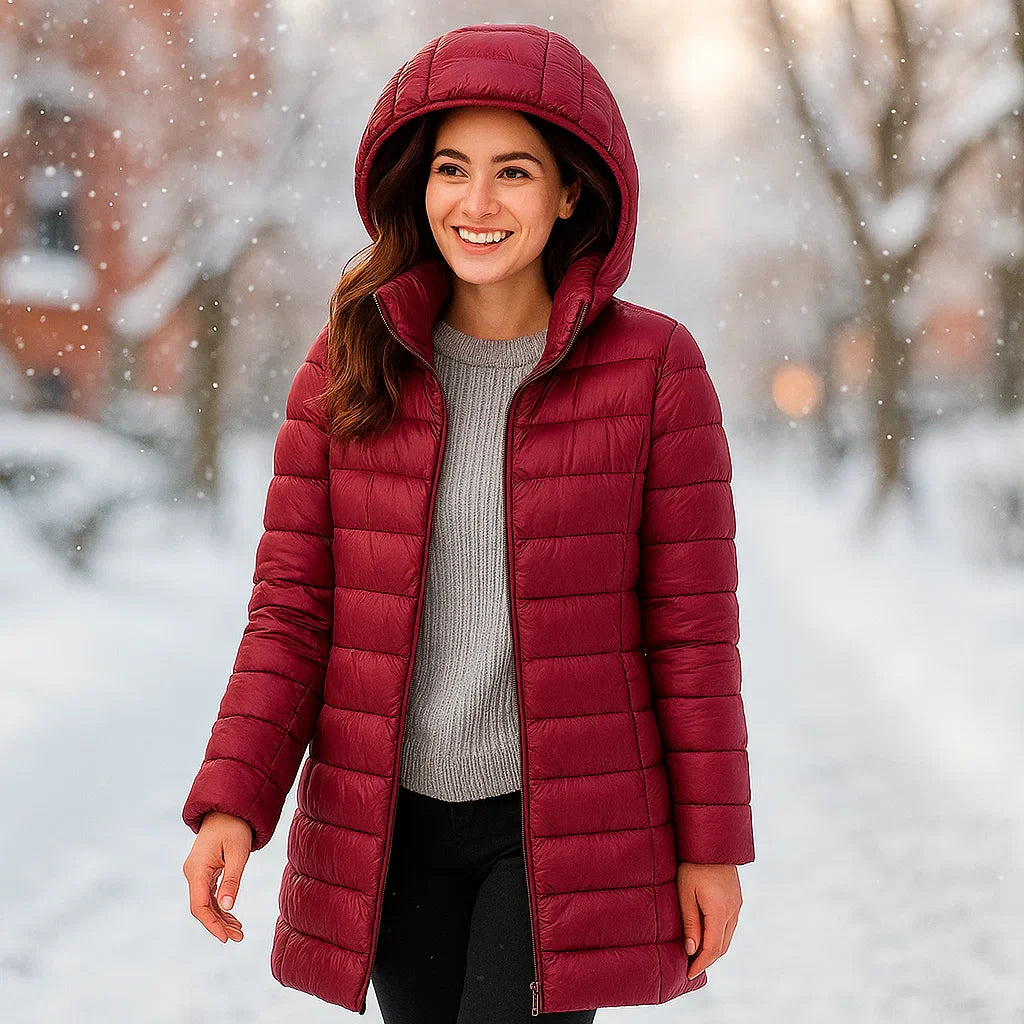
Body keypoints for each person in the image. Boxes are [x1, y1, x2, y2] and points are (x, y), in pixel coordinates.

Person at [181, 21, 755, 1024]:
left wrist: (709, 846)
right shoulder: (347, 365)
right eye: (452, 168)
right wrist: (235, 798)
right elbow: (291, 611)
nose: (476, 204)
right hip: (388, 828)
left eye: (514, 172)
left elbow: (692, 633)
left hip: (560, 829)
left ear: (570, 191)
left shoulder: (656, 370)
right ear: (418, 183)